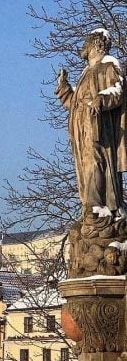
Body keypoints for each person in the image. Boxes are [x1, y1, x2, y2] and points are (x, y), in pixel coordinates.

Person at [56, 28, 127, 219]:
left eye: (87, 42)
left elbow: (118, 92)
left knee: (97, 162)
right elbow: (75, 104)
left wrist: (101, 99)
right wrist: (65, 88)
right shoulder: (86, 72)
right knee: (85, 165)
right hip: (81, 127)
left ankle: (98, 205)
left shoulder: (108, 66)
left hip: (98, 126)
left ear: (97, 45)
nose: (84, 47)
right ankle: (91, 205)